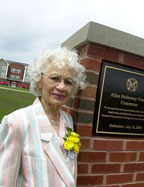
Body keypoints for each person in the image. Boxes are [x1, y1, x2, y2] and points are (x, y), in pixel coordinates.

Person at [0, 47, 86, 187]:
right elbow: (4, 181)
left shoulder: (68, 121)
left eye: (68, 82)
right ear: (39, 80)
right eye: (54, 78)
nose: (62, 87)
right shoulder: (17, 121)